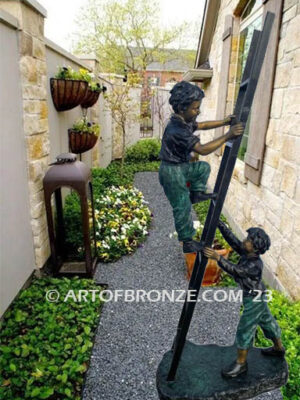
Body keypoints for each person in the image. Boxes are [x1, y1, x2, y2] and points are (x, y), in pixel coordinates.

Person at [158, 81, 244, 253]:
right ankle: (187, 242)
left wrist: (224, 121)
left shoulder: (184, 121)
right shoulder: (177, 129)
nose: (198, 111)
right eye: (195, 108)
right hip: (171, 172)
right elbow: (203, 149)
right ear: (182, 108)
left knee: (202, 168)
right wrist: (228, 135)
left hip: (181, 166)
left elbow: (203, 125)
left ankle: (197, 193)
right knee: (182, 206)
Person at [203, 221, 285, 379]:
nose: (245, 241)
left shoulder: (255, 264)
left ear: (255, 247)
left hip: (254, 299)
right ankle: (278, 348)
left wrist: (217, 258)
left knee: (245, 329)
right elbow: (233, 241)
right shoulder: (247, 253)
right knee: (267, 322)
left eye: (248, 240)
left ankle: (241, 364)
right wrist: (219, 224)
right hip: (256, 296)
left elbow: (237, 271)